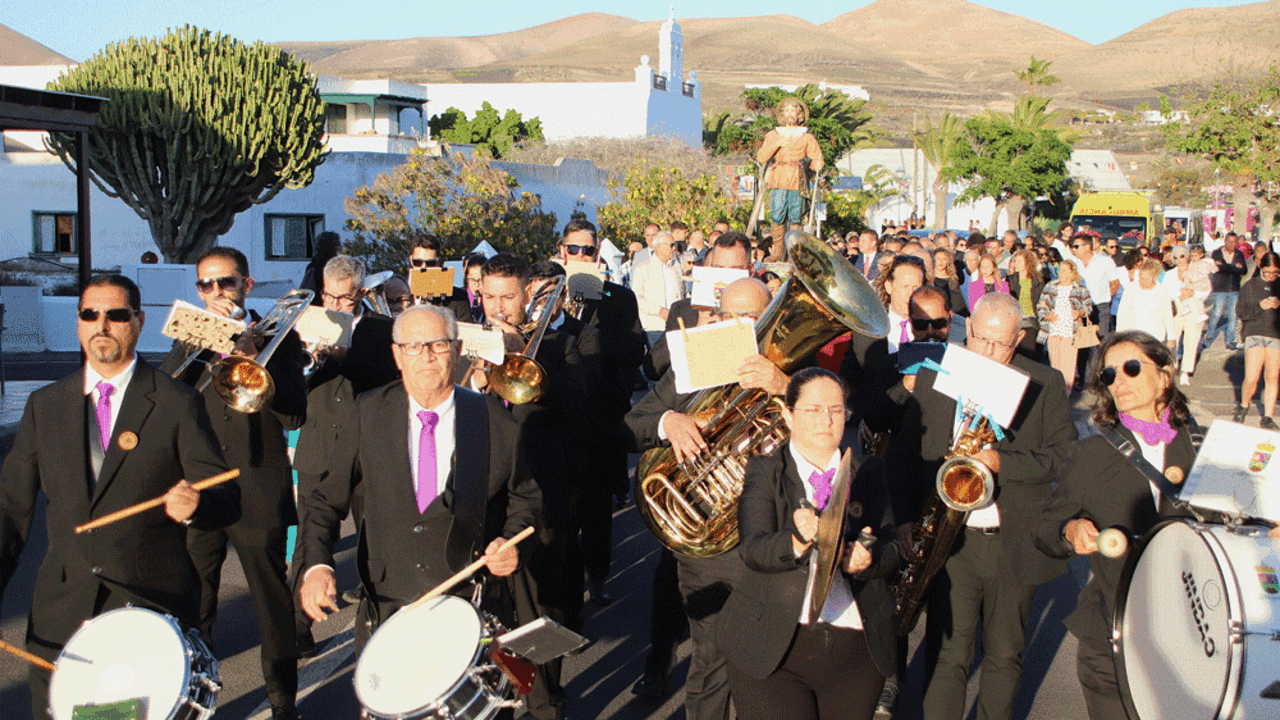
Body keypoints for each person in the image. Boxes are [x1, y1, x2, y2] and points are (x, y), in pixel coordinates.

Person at [0, 275, 239, 719]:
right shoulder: (44, 405)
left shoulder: (177, 401)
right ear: (78, 323)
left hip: (148, 610)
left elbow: (225, 493)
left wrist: (198, 505)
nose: (102, 325)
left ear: (138, 321)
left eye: (115, 315)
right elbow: (9, 511)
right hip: (62, 614)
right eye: (90, 314)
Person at [297, 306, 541, 653]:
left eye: (438, 345)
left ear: (457, 351)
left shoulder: (495, 422)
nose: (425, 356)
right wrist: (317, 566)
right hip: (387, 603)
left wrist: (514, 542)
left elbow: (528, 501)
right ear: (397, 355)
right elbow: (324, 501)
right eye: (413, 346)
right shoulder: (368, 411)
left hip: (469, 603)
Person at [899, 293, 1075, 720]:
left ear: (1019, 338)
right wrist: (905, 518)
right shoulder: (939, 372)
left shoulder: (1044, 382)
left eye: (1002, 345)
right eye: (981, 340)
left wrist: (1002, 462)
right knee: (948, 651)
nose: (990, 354)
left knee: (1004, 652)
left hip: (1012, 538)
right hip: (950, 536)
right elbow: (904, 454)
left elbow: (1062, 457)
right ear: (968, 330)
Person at [160, 248, 307, 720]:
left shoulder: (277, 335)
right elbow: (162, 395)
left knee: (270, 598)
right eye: (206, 285)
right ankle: (192, 697)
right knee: (193, 598)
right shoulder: (191, 334)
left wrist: (250, 356)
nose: (216, 292)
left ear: (246, 284)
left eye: (225, 283)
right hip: (200, 486)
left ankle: (284, 701)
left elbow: (295, 412)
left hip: (256, 482)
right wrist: (196, 345)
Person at [625, 277, 780, 720]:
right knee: (711, 658)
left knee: (768, 662)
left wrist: (783, 384)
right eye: (727, 317)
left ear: (769, 317)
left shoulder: (791, 364)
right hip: (709, 534)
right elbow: (634, 422)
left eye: (749, 318)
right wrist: (669, 420)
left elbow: (833, 415)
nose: (737, 326)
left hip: (774, 532)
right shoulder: (699, 358)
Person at [715, 368, 904, 720]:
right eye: (813, 410)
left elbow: (892, 548)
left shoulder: (869, 471)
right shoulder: (764, 470)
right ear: (788, 415)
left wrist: (870, 559)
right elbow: (753, 548)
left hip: (855, 652)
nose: (826, 420)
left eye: (835, 410)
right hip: (774, 647)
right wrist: (796, 541)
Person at [1035, 331, 1203, 720]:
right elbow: (1047, 525)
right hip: (1113, 638)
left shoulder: (1203, 447)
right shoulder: (1093, 452)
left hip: (1196, 639)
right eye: (1109, 376)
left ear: (1165, 375)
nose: (1119, 382)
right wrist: (1069, 530)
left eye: (1130, 368)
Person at [290, 255, 399, 643]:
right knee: (309, 543)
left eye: (346, 299)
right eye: (329, 297)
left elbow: (388, 382)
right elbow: (292, 392)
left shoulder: (382, 329)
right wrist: (308, 358)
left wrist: (345, 356)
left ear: (362, 293)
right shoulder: (306, 323)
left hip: (368, 451)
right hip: (319, 448)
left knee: (373, 542)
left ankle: (375, 620)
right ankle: (298, 630)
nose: (336, 306)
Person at [556, 220, 646, 605]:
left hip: (602, 411)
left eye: (587, 251)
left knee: (596, 505)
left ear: (597, 254)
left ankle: (598, 574)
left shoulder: (620, 298)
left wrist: (588, 335)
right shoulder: (546, 292)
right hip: (558, 414)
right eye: (572, 250)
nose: (579, 256)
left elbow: (636, 351)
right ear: (561, 251)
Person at [757, 97, 824, 257]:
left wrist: (815, 166)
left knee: (796, 217)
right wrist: (777, 144)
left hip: (797, 178)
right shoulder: (774, 135)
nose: (790, 114)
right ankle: (778, 252)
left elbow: (817, 158)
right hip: (779, 177)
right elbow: (762, 156)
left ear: (799, 114)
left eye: (793, 110)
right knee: (777, 214)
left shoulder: (806, 136)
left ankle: (795, 253)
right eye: (786, 110)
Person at [1233, 251, 1280, 427]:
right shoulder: (1250, 286)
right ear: (1261, 268)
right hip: (1254, 333)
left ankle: (1267, 416)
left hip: (1275, 334)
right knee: (1252, 377)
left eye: (1275, 272)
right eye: (1268, 272)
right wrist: (1260, 306)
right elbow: (1241, 312)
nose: (1271, 276)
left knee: (1272, 376)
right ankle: (1244, 405)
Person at [1036, 259, 1092, 393]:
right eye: (1059, 270)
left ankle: (1065, 395)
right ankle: (1055, 394)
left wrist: (1080, 312)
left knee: (1067, 366)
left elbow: (1088, 307)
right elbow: (1041, 305)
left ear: (1072, 273)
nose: (1060, 273)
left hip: (1070, 331)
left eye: (1064, 271)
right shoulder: (1051, 286)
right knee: (1055, 365)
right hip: (1053, 330)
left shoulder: (1080, 289)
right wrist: (1046, 315)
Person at [1163, 244, 1210, 385]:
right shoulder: (1169, 275)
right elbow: (1166, 292)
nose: (1179, 259)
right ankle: (1172, 366)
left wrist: (1192, 293)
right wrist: (1180, 294)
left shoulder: (1197, 271)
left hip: (1195, 307)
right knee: (1172, 340)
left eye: (1182, 256)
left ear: (1188, 256)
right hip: (1176, 309)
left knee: (1191, 339)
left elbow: (1207, 289)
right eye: (1176, 257)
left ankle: (1185, 372)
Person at [632, 230, 685, 347]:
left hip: (675, 326)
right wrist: (658, 310)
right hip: (654, 327)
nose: (674, 248)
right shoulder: (643, 268)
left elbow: (682, 293)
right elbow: (636, 298)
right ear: (659, 246)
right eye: (671, 245)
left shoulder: (676, 266)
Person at [408, 233, 472, 321]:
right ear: (410, 260)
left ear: (438, 262)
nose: (423, 267)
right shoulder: (402, 294)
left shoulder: (458, 298)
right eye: (417, 262)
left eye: (430, 263)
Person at [1203, 232, 1248, 351]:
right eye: (1229, 241)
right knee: (1217, 313)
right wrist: (1234, 267)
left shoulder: (1239, 254)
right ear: (1225, 241)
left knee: (1233, 316)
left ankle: (1229, 341)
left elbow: (1243, 270)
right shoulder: (1217, 253)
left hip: (1234, 289)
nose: (1231, 244)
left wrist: (1226, 266)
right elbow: (1216, 269)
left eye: (1234, 242)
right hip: (1220, 289)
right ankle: (1209, 336)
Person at [874, 255, 927, 355]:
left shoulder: (930, 328)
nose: (911, 294)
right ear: (889, 286)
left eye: (916, 288)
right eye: (905, 287)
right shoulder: (872, 327)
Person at [1114, 259, 1175, 345]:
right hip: (1133, 336)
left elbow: (1167, 315)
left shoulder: (1161, 291)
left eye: (1147, 279)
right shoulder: (1131, 288)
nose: (1143, 281)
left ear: (1154, 277)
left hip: (1155, 337)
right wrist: (1119, 335)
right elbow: (1122, 313)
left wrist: (1171, 337)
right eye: (1141, 278)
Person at [1007, 249, 1044, 358]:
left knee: (1029, 353)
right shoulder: (1011, 279)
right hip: (1015, 320)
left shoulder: (1037, 281)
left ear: (1027, 262)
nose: (1016, 264)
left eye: (1019, 261)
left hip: (1031, 320)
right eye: (1015, 261)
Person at [300, 230, 342, 306]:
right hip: (329, 306)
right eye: (338, 244)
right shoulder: (336, 267)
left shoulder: (313, 265)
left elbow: (303, 293)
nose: (340, 247)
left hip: (313, 307)